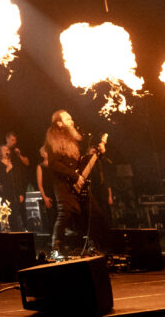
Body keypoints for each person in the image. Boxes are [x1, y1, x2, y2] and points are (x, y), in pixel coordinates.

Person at [45, 110, 108, 257]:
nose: (72, 121)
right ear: (59, 123)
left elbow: (80, 163)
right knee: (65, 214)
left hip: (79, 184)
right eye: (68, 119)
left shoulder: (73, 140)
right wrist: (73, 175)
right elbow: (54, 164)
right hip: (63, 184)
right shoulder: (52, 141)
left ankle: (92, 245)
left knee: (94, 213)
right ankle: (55, 248)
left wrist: (98, 154)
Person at [0, 145, 24, 230]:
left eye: (8, 149)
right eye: (4, 149)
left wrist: (20, 193)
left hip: (13, 193)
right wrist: (7, 170)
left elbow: (18, 179)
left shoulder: (13, 163)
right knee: (5, 219)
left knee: (15, 217)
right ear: (0, 152)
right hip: (3, 194)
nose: (7, 150)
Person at [5, 131, 31, 227]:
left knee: (22, 204)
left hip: (20, 181)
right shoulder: (4, 150)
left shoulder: (17, 151)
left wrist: (19, 155)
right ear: (7, 139)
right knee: (12, 206)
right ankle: (13, 227)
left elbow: (27, 163)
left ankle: (25, 227)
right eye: (12, 140)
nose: (14, 142)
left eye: (15, 140)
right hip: (10, 182)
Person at [36, 146, 57, 236]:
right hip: (48, 194)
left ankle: (61, 241)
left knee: (59, 217)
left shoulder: (55, 164)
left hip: (57, 193)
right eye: (45, 152)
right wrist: (44, 197)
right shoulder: (40, 166)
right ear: (42, 154)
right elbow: (40, 184)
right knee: (52, 218)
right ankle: (53, 241)